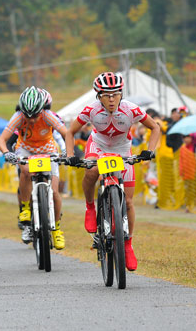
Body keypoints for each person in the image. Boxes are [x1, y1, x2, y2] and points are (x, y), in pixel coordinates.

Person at [64, 72, 161, 271]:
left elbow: (155, 128)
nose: (111, 99)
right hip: (98, 146)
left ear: (121, 94)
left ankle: (127, 245)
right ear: (98, 96)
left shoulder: (131, 110)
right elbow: (70, 132)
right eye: (106, 95)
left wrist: (150, 151)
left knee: (129, 202)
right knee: (91, 171)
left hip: (122, 150)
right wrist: (70, 154)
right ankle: (90, 207)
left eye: (115, 94)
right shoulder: (91, 110)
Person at [0, 86, 70, 249]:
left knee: (54, 192)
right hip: (26, 149)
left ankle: (57, 229)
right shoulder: (17, 117)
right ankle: (25, 208)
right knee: (25, 170)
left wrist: (67, 151)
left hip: (48, 149)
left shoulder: (48, 116)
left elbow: (66, 134)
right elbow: (3, 139)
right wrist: (6, 153)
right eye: (27, 115)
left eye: (35, 115)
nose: (31, 120)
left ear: (42, 110)